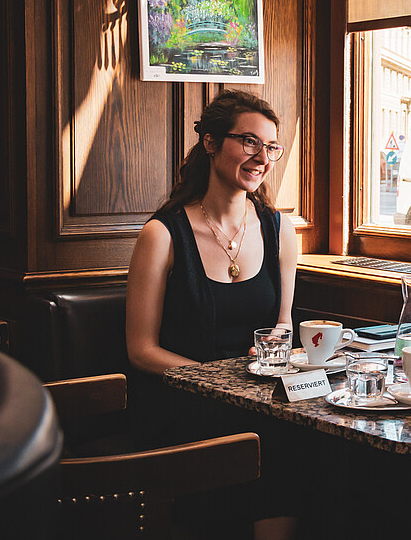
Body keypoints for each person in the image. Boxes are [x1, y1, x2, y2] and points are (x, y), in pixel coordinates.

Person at [125, 89, 298, 539]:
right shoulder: (161, 234)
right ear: (211, 143)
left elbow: (283, 324)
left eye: (270, 146)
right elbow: (141, 350)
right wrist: (218, 382)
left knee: (301, 436)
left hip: (257, 396)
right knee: (265, 437)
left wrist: (269, 359)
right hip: (179, 400)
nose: (262, 157)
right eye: (249, 142)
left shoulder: (281, 231)